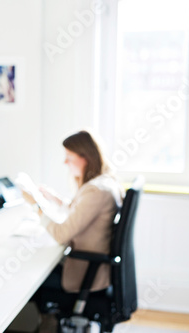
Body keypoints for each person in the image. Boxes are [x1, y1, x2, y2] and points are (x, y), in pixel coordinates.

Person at [21, 130, 124, 329]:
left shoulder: (97, 190)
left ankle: (46, 325)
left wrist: (36, 206)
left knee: (27, 279)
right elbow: (83, 212)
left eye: (69, 157)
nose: (65, 163)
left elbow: (61, 234)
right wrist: (56, 199)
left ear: (86, 157)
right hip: (91, 270)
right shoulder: (103, 183)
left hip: (85, 276)